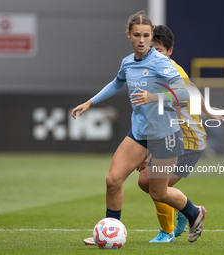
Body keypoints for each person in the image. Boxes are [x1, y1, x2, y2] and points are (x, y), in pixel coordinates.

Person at [73, 11, 206, 244]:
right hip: (139, 133)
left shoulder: (161, 62)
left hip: (165, 135)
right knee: (113, 180)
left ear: (151, 35)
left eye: (146, 35)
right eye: (137, 35)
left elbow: (185, 93)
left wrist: (154, 96)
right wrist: (90, 102)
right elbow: (117, 83)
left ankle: (195, 214)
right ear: (129, 35)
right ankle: (110, 231)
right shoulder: (127, 62)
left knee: (158, 192)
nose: (142, 40)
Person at [138, 25, 208, 243]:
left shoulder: (171, 72)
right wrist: (209, 110)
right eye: (150, 50)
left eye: (157, 50)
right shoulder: (162, 70)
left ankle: (177, 224)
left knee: (157, 185)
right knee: (146, 182)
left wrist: (148, 152)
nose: (152, 54)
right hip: (175, 136)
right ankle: (185, 211)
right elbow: (192, 87)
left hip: (188, 141)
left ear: (170, 51)